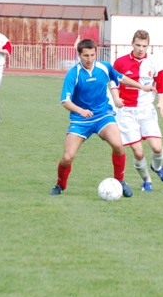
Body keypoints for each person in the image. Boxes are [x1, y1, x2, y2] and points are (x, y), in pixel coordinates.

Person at [50, 38, 156, 197]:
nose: (89, 59)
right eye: (86, 55)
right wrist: (81, 111)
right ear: (79, 55)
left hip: (103, 116)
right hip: (81, 120)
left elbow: (120, 78)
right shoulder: (74, 74)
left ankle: (120, 181)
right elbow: (65, 101)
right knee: (67, 157)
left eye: (92, 55)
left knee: (119, 146)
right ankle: (60, 185)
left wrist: (142, 86)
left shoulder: (104, 67)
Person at [110, 30, 163, 192]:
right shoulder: (120, 62)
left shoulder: (155, 63)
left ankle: (157, 168)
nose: (141, 49)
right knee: (138, 152)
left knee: (157, 148)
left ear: (148, 46)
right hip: (127, 112)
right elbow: (113, 82)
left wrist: (161, 103)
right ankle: (147, 181)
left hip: (146, 111)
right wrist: (116, 98)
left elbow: (162, 86)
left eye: (144, 46)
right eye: (138, 45)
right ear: (132, 43)